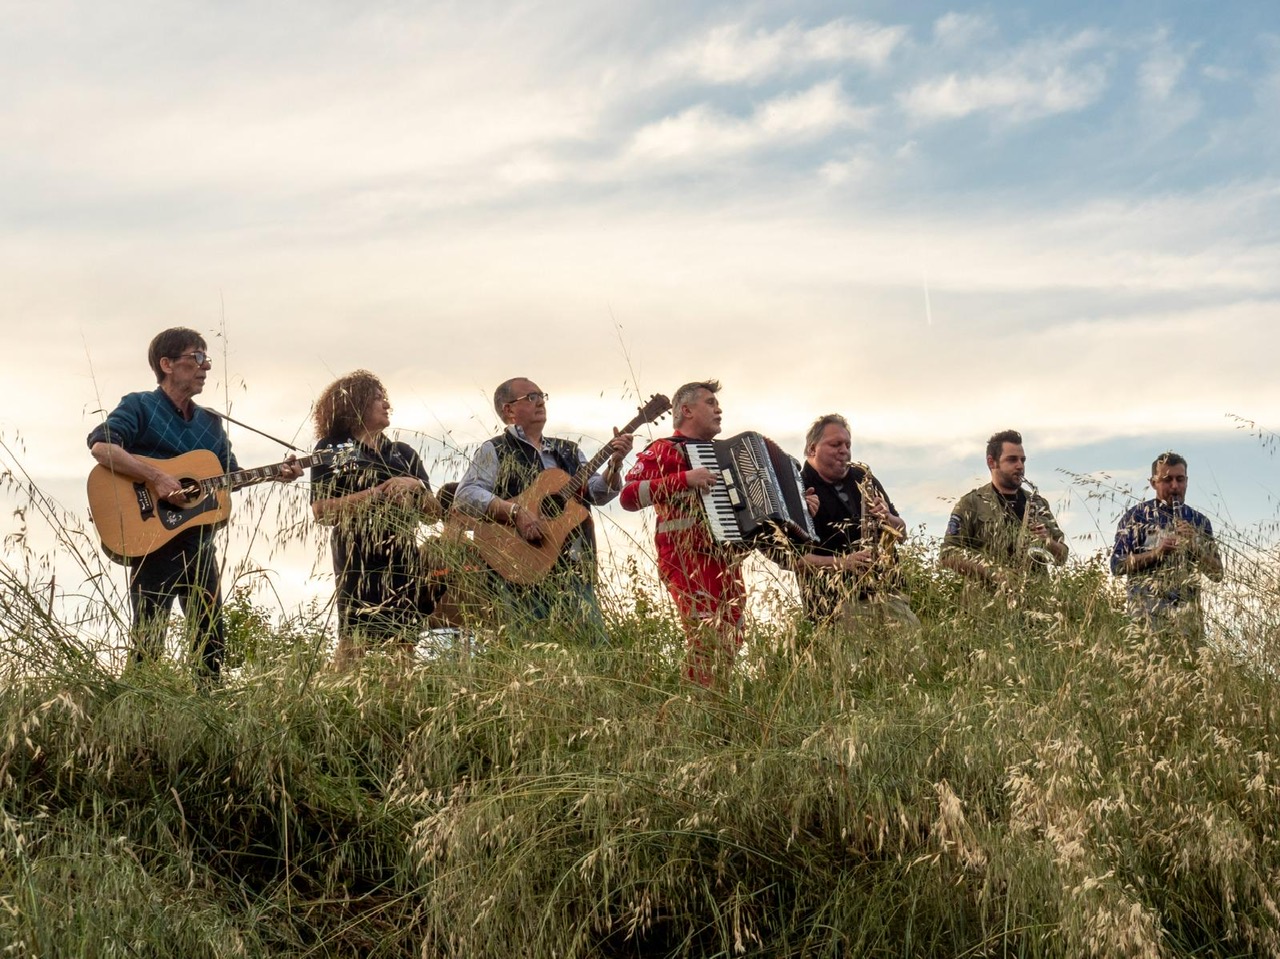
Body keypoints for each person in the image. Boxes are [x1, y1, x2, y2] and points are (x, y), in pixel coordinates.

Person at [87, 327, 302, 683]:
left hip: (197, 540)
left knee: (211, 641)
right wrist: (156, 477)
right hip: (151, 538)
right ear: (167, 364)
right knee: (149, 639)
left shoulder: (211, 422)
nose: (205, 367)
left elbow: (229, 475)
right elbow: (102, 448)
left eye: (207, 360)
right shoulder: (139, 405)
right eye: (196, 358)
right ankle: (136, 721)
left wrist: (277, 473)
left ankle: (208, 718)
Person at [452, 377, 633, 644]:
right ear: (508, 410)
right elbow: (466, 495)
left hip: (575, 567)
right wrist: (516, 512)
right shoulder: (495, 450)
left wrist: (615, 466)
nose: (541, 401)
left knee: (594, 650)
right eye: (531, 397)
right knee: (533, 650)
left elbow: (597, 493)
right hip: (520, 567)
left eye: (541, 395)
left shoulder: (569, 451)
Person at [310, 370, 445, 667]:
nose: (386, 405)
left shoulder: (402, 453)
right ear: (355, 404)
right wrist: (376, 493)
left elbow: (433, 515)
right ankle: (341, 697)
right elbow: (322, 511)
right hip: (356, 549)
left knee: (404, 638)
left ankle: (398, 704)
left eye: (386, 399)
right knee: (354, 637)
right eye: (377, 398)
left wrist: (416, 486)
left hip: (402, 550)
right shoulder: (334, 448)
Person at [620, 379, 746, 687]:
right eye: (710, 403)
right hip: (685, 560)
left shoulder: (726, 454)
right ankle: (697, 707)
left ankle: (717, 711)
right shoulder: (664, 449)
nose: (719, 409)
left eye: (717, 404)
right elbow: (628, 497)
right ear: (686, 410)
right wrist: (685, 479)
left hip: (726, 562)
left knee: (730, 642)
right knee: (705, 640)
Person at [795, 414, 919, 631]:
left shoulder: (862, 476)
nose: (844, 450)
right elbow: (791, 560)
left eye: (847, 444)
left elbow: (902, 533)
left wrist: (887, 517)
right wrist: (844, 562)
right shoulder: (796, 486)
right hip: (835, 606)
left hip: (888, 594)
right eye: (835, 444)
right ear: (812, 449)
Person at [1110, 451, 1223, 645]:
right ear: (1153, 483)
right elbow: (1117, 566)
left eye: (1180, 479)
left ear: (1187, 481)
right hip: (1146, 624)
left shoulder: (1199, 521)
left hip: (1189, 626)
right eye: (1167, 480)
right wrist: (1157, 553)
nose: (1174, 486)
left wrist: (1194, 547)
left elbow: (1217, 573)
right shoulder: (1136, 516)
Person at [940, 429, 1067, 591]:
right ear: (991, 462)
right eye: (1012, 460)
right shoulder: (970, 503)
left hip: (1036, 603)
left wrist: (1047, 541)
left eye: (1023, 460)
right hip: (986, 605)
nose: (1020, 466)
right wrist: (995, 573)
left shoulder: (1038, 503)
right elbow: (948, 554)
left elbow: (1062, 557)